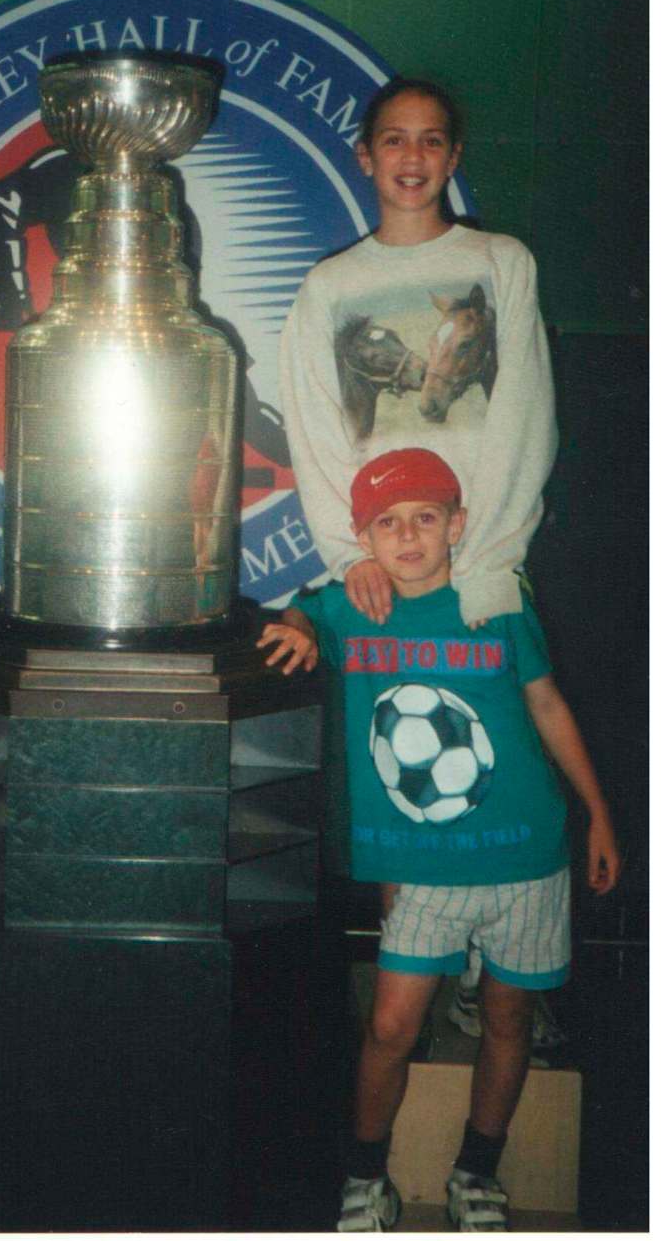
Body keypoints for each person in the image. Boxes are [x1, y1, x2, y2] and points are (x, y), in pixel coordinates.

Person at [257, 449, 619, 1231]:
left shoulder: (497, 599)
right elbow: (298, 612)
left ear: (458, 524)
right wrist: (299, 625)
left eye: (425, 517)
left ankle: (475, 1171)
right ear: (362, 538)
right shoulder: (353, 606)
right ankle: (365, 1177)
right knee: (391, 1026)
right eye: (387, 523)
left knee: (509, 1020)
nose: (408, 535)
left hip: (526, 852)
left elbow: (547, 704)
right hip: (423, 867)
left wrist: (598, 812)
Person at [279, 76, 560, 1050]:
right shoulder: (329, 286)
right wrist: (345, 554)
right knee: (405, 759)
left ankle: (493, 968)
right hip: (382, 570)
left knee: (500, 750)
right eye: (393, 140)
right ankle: (416, 964)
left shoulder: (499, 262)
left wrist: (489, 556)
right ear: (365, 156)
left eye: (431, 140)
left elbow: (525, 414)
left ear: (453, 156)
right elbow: (315, 427)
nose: (412, 157)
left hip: (478, 563)